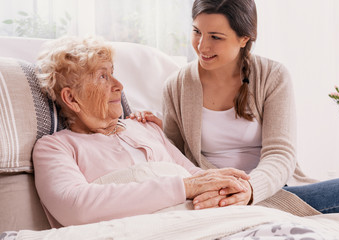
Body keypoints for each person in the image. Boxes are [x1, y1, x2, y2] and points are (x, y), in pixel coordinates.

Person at [131, 0, 339, 215]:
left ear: (244, 38)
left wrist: (249, 191)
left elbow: (281, 153)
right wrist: (153, 132)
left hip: (271, 189)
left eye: (216, 37)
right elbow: (176, 159)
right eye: (197, 31)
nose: (202, 45)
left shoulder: (273, 76)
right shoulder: (176, 85)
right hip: (214, 195)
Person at [32, 36, 252, 228]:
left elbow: (194, 175)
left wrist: (227, 190)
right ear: (71, 98)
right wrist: (184, 187)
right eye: (102, 76)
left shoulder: (146, 127)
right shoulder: (54, 147)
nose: (119, 85)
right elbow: (76, 206)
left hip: (206, 222)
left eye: (113, 73)